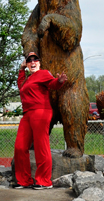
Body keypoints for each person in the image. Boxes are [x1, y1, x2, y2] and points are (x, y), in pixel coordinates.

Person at [13, 52, 67, 189]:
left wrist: (59, 81)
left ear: (39, 62)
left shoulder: (43, 73)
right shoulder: (27, 79)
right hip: (27, 114)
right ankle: (24, 180)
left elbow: (53, 83)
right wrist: (21, 69)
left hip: (41, 112)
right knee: (20, 147)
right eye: (29, 60)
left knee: (40, 146)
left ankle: (44, 181)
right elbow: (21, 86)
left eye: (35, 60)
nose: (32, 62)